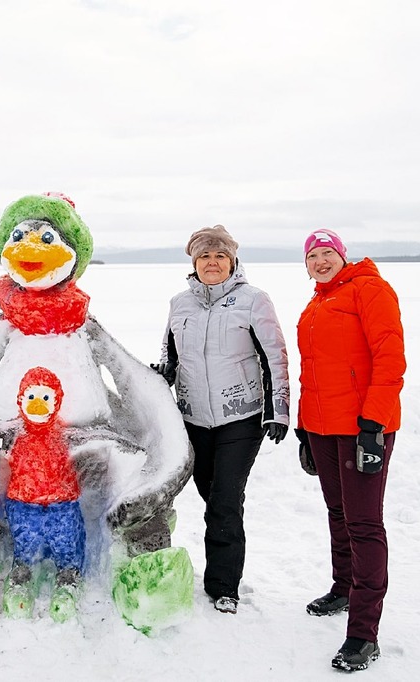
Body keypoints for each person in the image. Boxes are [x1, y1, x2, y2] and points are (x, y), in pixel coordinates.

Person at [152, 225, 290, 615]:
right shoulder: (179, 303)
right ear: (194, 263)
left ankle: (223, 586)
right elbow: (171, 353)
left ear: (233, 261)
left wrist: (277, 411)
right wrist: (163, 373)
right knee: (210, 495)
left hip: (240, 419)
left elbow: (274, 357)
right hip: (194, 418)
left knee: (225, 501)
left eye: (220, 257)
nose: (213, 263)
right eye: (205, 257)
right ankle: (220, 565)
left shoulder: (254, 300)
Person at [294, 228, 405, 672]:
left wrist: (373, 424)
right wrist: (304, 428)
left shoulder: (370, 289)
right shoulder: (317, 303)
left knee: (363, 523)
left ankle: (363, 634)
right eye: (313, 256)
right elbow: (313, 372)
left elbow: (390, 358)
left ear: (342, 256)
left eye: (327, 253)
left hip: (363, 428)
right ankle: (343, 588)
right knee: (337, 513)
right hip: (322, 429)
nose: (320, 261)